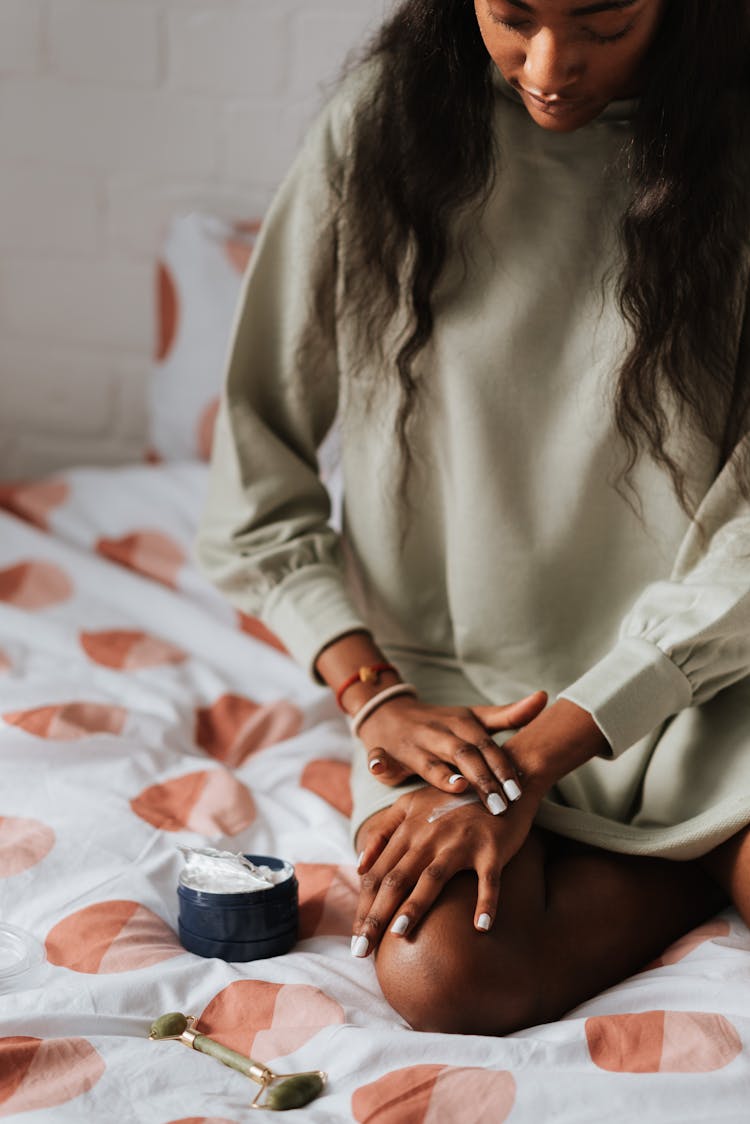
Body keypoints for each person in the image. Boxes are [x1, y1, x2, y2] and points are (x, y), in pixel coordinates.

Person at [196, 0, 750, 1035]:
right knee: (444, 979)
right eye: (512, 16)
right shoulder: (385, 122)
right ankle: (695, 861)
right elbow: (255, 457)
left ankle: (686, 842)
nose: (549, 65)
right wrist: (373, 692)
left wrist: (549, 753)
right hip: (459, 692)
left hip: (709, 673)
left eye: (604, 22)